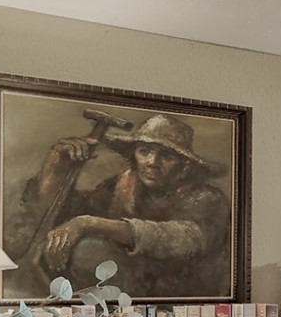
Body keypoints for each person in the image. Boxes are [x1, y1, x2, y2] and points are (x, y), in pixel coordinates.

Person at [20, 113, 231, 296]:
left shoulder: (207, 198)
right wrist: (54, 169)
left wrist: (88, 223)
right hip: (128, 294)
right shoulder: (120, 187)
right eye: (145, 151)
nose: (152, 162)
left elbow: (182, 239)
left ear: (184, 166)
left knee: (90, 250)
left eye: (166, 156)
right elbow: (66, 215)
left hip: (181, 301)